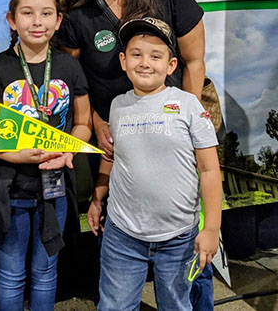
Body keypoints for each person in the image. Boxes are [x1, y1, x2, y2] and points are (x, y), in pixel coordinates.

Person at [56, 0, 213, 307]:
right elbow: (71, 78)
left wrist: (189, 115)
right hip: (114, 132)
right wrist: (92, 120)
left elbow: (193, 60)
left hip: (171, 131)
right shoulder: (77, 8)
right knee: (118, 222)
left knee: (187, 230)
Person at [88, 17, 222, 311]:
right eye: (136, 54)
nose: (145, 62)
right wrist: (98, 195)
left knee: (176, 306)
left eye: (156, 56)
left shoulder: (189, 105)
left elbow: (210, 170)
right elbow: (113, 157)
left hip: (178, 237)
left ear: (171, 65)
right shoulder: (118, 106)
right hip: (122, 235)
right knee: (114, 307)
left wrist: (211, 227)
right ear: (123, 61)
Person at [0, 0, 92, 311]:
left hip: (54, 187)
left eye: (46, 13)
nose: (37, 21)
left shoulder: (69, 67)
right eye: (27, 13)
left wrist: (68, 149)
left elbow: (83, 124)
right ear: (12, 20)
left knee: (45, 271)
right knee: (11, 273)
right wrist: (15, 154)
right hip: (8, 186)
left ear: (58, 21)